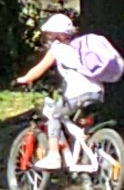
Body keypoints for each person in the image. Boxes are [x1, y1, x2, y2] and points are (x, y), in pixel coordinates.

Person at [14, 13, 104, 170]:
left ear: (58, 35)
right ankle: (82, 154)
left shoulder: (58, 49)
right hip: (97, 92)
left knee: (55, 115)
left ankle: (54, 156)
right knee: (74, 123)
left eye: (49, 34)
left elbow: (39, 69)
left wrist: (23, 79)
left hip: (78, 94)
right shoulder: (80, 47)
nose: (48, 38)